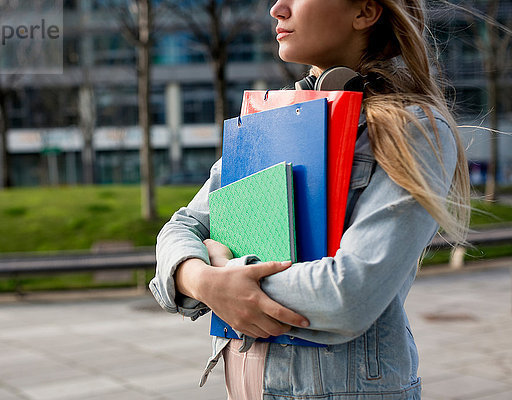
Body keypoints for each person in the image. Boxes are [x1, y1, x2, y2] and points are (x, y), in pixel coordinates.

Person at [149, 0, 471, 398]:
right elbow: (181, 228)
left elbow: (349, 293)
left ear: (365, 12)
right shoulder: (268, 119)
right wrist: (202, 278)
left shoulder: (413, 131)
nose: (276, 9)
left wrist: (226, 278)